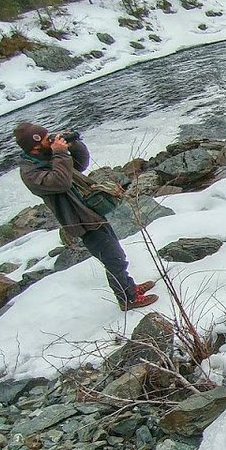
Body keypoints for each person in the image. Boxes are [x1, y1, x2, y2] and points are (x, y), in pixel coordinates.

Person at [14, 122, 157, 311]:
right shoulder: (30, 172)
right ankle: (127, 299)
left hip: (91, 211)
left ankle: (128, 287)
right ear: (34, 147)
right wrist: (60, 153)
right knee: (113, 258)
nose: (51, 140)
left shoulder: (47, 156)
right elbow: (61, 182)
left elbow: (80, 165)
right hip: (80, 219)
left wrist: (74, 144)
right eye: (47, 139)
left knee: (115, 254)